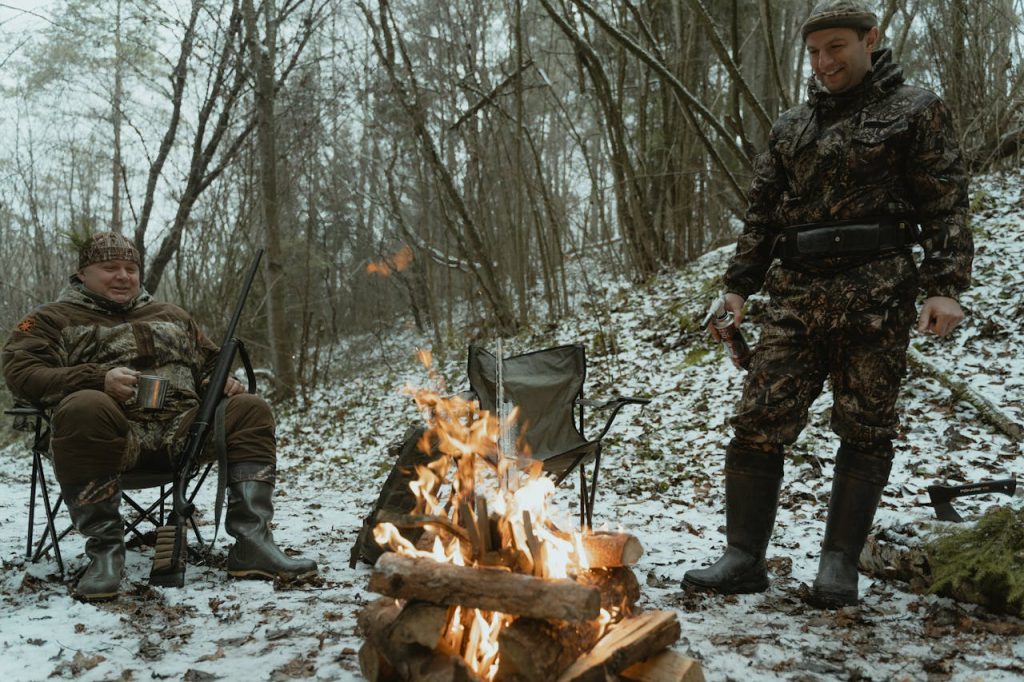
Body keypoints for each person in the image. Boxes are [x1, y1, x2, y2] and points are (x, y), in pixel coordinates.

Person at [683, 0, 973, 607]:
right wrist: (739, 285)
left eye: (836, 47)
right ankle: (743, 558)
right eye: (814, 52)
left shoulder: (916, 110)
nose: (824, 62)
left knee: (865, 427)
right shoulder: (793, 126)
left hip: (877, 293)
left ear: (870, 39)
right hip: (796, 295)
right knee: (758, 421)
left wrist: (944, 285)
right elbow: (762, 212)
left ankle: (838, 565)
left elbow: (944, 200)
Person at [2, 232, 317, 600]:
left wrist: (221, 381)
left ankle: (252, 542)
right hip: (108, 442)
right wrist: (97, 380)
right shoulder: (48, 320)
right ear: (82, 273)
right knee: (85, 404)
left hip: (184, 436)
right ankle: (105, 553)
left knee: (250, 408)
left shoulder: (173, 316)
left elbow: (212, 361)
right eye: (110, 268)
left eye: (131, 268)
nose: (123, 276)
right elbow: (21, 374)